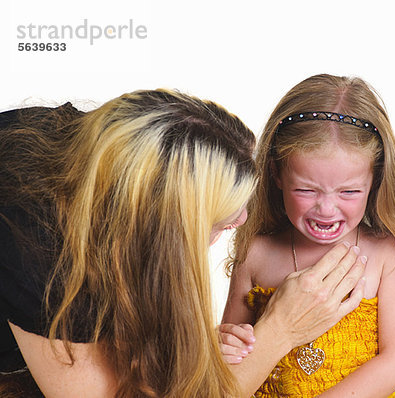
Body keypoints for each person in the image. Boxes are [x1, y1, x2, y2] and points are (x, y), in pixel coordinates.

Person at [0, 89, 367, 398]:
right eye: (218, 220)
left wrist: (180, 346)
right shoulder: (34, 248)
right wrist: (281, 331)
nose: (241, 221)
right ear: (159, 230)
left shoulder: (69, 150)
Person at [220, 74, 395, 397]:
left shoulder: (387, 255)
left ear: (375, 180)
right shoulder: (256, 254)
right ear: (277, 174)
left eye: (349, 191)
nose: (326, 209)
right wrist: (224, 344)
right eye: (306, 189)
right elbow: (235, 359)